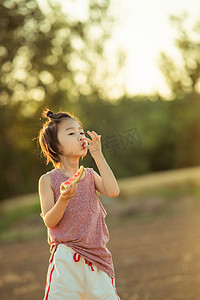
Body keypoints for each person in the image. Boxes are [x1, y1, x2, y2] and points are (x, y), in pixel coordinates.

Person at [37, 108, 121, 300]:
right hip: (66, 261)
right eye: (72, 133)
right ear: (55, 146)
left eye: (81, 132)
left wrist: (98, 155)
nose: (81, 137)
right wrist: (64, 199)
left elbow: (113, 190)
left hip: (97, 261)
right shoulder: (48, 180)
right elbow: (50, 221)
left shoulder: (89, 175)